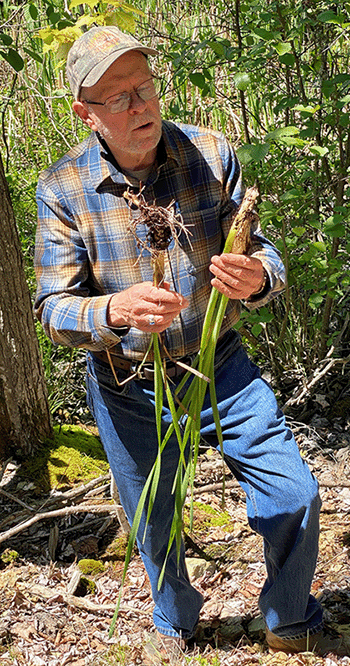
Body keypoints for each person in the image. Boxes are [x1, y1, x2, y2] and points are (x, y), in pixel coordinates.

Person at [34, 25, 346, 661]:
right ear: (84, 112)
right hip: (129, 384)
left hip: (220, 367)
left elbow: (261, 252)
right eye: (117, 97)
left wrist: (260, 275)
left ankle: (289, 617)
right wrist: (113, 309)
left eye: (144, 87)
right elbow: (53, 310)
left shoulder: (208, 152)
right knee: (154, 516)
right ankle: (175, 622)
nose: (140, 106)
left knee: (294, 493)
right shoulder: (64, 189)